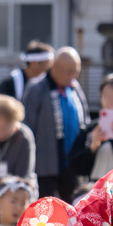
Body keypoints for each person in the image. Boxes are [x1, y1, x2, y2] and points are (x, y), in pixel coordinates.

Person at [23, 46, 90, 202]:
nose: (72, 76)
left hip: (72, 166)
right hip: (45, 168)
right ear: (54, 67)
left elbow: (85, 119)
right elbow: (27, 128)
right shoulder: (36, 88)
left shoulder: (75, 88)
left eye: (76, 72)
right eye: (68, 72)